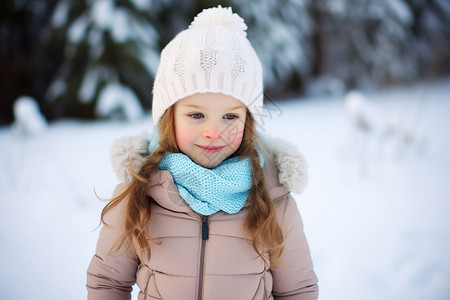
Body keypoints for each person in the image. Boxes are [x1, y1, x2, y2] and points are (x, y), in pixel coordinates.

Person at [87, 5, 318, 300]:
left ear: (248, 121)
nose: (213, 132)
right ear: (168, 117)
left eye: (230, 117)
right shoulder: (140, 189)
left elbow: (297, 290)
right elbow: (108, 283)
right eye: (196, 115)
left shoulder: (273, 195)